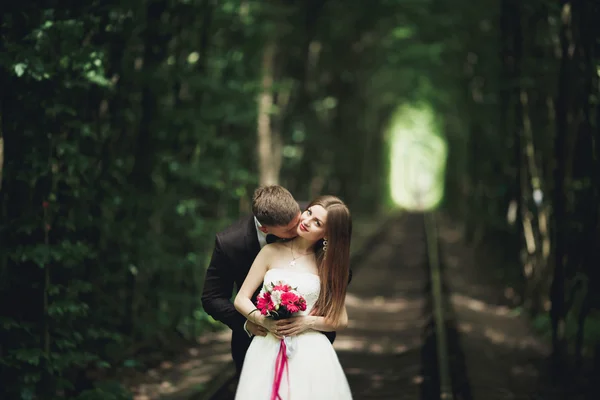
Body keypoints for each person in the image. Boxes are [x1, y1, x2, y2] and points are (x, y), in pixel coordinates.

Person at [201, 185, 344, 374]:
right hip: (255, 339)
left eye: (300, 217)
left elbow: (341, 268)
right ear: (265, 228)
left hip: (309, 342)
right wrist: (251, 322)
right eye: (290, 230)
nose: (299, 229)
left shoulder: (309, 218)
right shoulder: (230, 243)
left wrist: (321, 296)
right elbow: (212, 297)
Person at [233, 195, 353, 399]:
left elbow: (340, 320)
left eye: (317, 223)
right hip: (267, 344)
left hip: (309, 352)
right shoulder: (270, 251)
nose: (306, 221)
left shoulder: (328, 266)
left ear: (327, 234)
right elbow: (241, 298)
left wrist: (307, 322)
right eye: (308, 213)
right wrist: (262, 320)